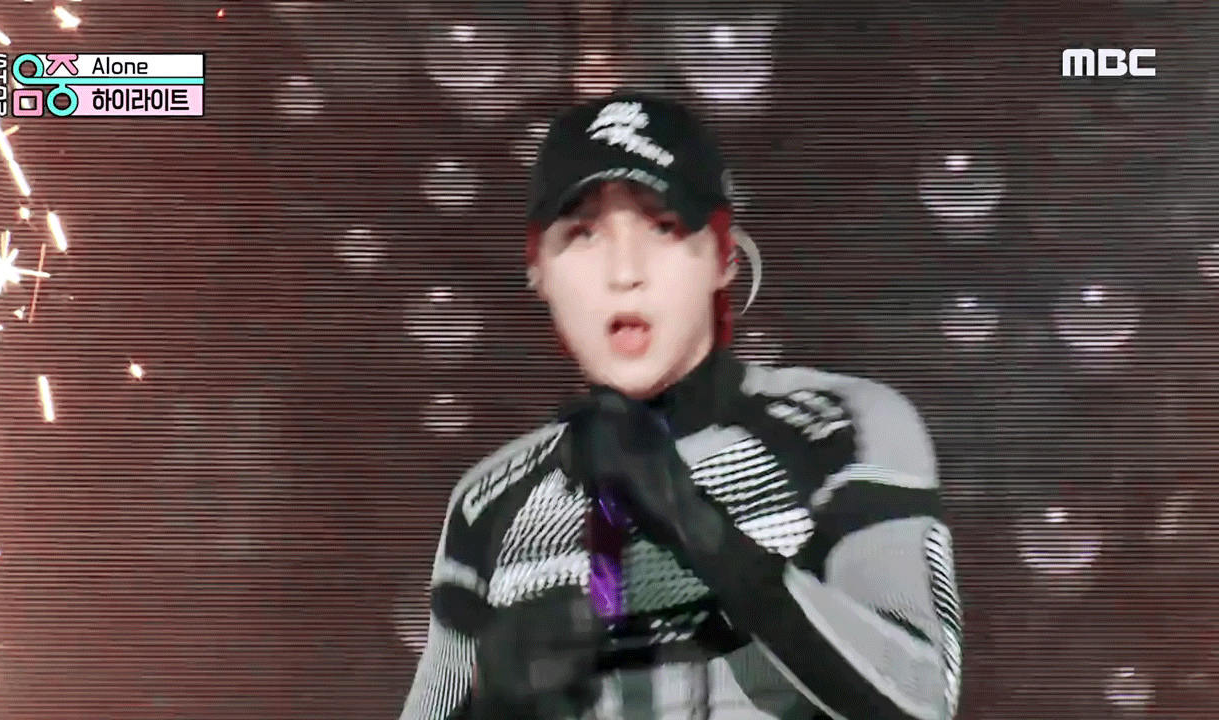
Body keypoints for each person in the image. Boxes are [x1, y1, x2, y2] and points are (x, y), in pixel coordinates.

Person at [399, 90, 963, 720]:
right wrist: (492, 707)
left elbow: (923, 700)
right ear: (537, 269)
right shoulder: (487, 503)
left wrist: (697, 524)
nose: (624, 273)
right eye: (583, 233)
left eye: (663, 226)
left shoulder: (842, 427)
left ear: (724, 255)